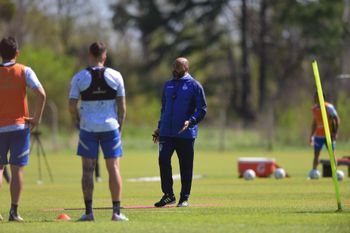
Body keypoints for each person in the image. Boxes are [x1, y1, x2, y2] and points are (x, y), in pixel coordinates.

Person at [69, 42, 128, 221]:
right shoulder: (116, 75)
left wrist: (77, 122)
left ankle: (89, 213)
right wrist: (120, 127)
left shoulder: (79, 77)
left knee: (87, 171)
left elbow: (71, 106)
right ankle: (116, 213)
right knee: (114, 169)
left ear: (90, 55)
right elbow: (122, 107)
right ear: (104, 56)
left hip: (88, 129)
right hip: (111, 128)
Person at [0, 37, 46, 222]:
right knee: (17, 170)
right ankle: (14, 212)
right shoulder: (25, 70)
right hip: (20, 126)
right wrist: (36, 118)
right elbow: (41, 93)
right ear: (17, 53)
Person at [152, 57, 207, 207]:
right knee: (163, 160)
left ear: (186, 68)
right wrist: (159, 127)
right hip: (166, 133)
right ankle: (168, 195)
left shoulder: (195, 86)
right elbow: (164, 109)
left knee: (185, 166)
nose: (174, 69)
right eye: (173, 66)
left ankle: (184, 198)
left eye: (178, 66)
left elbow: (202, 109)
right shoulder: (168, 85)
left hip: (185, 134)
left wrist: (191, 121)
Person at [309, 93, 340, 172]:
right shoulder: (314, 109)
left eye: (316, 97)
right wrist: (311, 136)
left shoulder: (329, 107)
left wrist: (335, 132)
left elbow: (336, 119)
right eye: (315, 97)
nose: (315, 99)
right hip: (319, 135)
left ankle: (335, 172)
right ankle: (314, 171)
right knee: (316, 154)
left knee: (332, 154)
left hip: (329, 135)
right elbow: (314, 123)